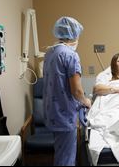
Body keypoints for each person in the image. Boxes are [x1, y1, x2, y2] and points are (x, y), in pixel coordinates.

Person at [43, 16, 92, 166]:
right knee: (66, 159)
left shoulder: (50, 53)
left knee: (60, 154)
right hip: (64, 115)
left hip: (52, 112)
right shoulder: (70, 55)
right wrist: (86, 101)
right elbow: (76, 91)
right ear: (74, 35)